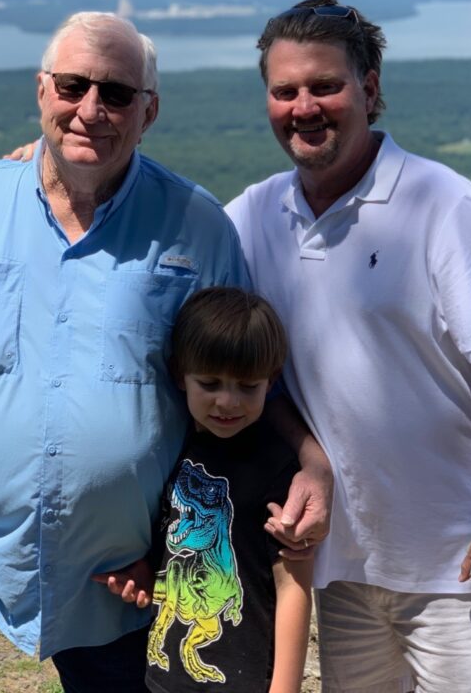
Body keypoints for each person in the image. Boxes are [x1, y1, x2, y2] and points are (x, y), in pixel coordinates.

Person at [0, 11, 329, 693]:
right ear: (43, 92)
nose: (91, 109)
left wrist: (309, 460)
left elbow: (244, 379)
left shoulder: (197, 225)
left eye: (116, 93)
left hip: (120, 571)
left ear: (148, 112)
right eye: (72, 86)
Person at [224, 0, 471, 692]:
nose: (304, 107)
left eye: (325, 86)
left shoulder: (445, 206)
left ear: (369, 89)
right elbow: (165, 239)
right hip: (341, 560)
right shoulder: (254, 214)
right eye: (284, 91)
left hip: (457, 562)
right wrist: (40, 163)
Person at [96, 287, 313, 692]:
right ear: (180, 375)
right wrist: (145, 574)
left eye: (248, 386)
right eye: (210, 383)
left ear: (271, 380)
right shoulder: (169, 451)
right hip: (162, 680)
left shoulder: (279, 468)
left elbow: (293, 586)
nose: (227, 401)